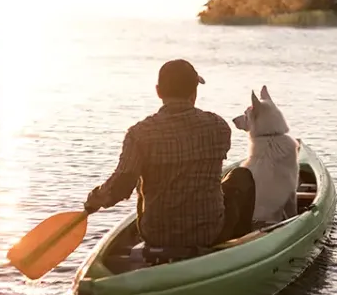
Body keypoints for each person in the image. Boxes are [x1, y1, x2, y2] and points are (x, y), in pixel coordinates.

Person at [83, 59, 256, 266]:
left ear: (158, 92)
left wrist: (95, 199)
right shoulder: (219, 127)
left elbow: (121, 185)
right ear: (194, 93)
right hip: (209, 232)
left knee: (140, 177)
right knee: (241, 177)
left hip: (156, 235)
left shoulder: (139, 134)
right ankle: (241, 254)